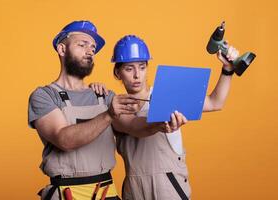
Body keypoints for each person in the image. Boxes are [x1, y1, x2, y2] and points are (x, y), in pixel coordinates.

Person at [91, 35, 239, 200]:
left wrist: (228, 69)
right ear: (118, 72)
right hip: (135, 190)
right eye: (129, 68)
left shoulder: (167, 95)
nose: (136, 75)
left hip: (169, 186)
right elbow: (135, 126)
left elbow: (214, 102)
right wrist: (91, 89)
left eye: (141, 67)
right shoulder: (117, 107)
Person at [28, 21, 143, 200]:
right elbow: (64, 139)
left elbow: (134, 126)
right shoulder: (44, 96)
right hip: (66, 194)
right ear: (62, 49)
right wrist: (108, 115)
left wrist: (162, 122)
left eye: (93, 48)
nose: (90, 51)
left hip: (107, 194)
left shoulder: (104, 96)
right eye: (82, 45)